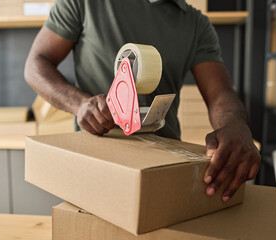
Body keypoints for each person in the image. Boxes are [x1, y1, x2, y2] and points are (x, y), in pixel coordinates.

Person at [24, 0, 260, 202]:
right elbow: (36, 64)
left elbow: (220, 93)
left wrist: (235, 125)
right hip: (95, 161)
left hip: (162, 166)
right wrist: (80, 104)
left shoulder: (196, 23)